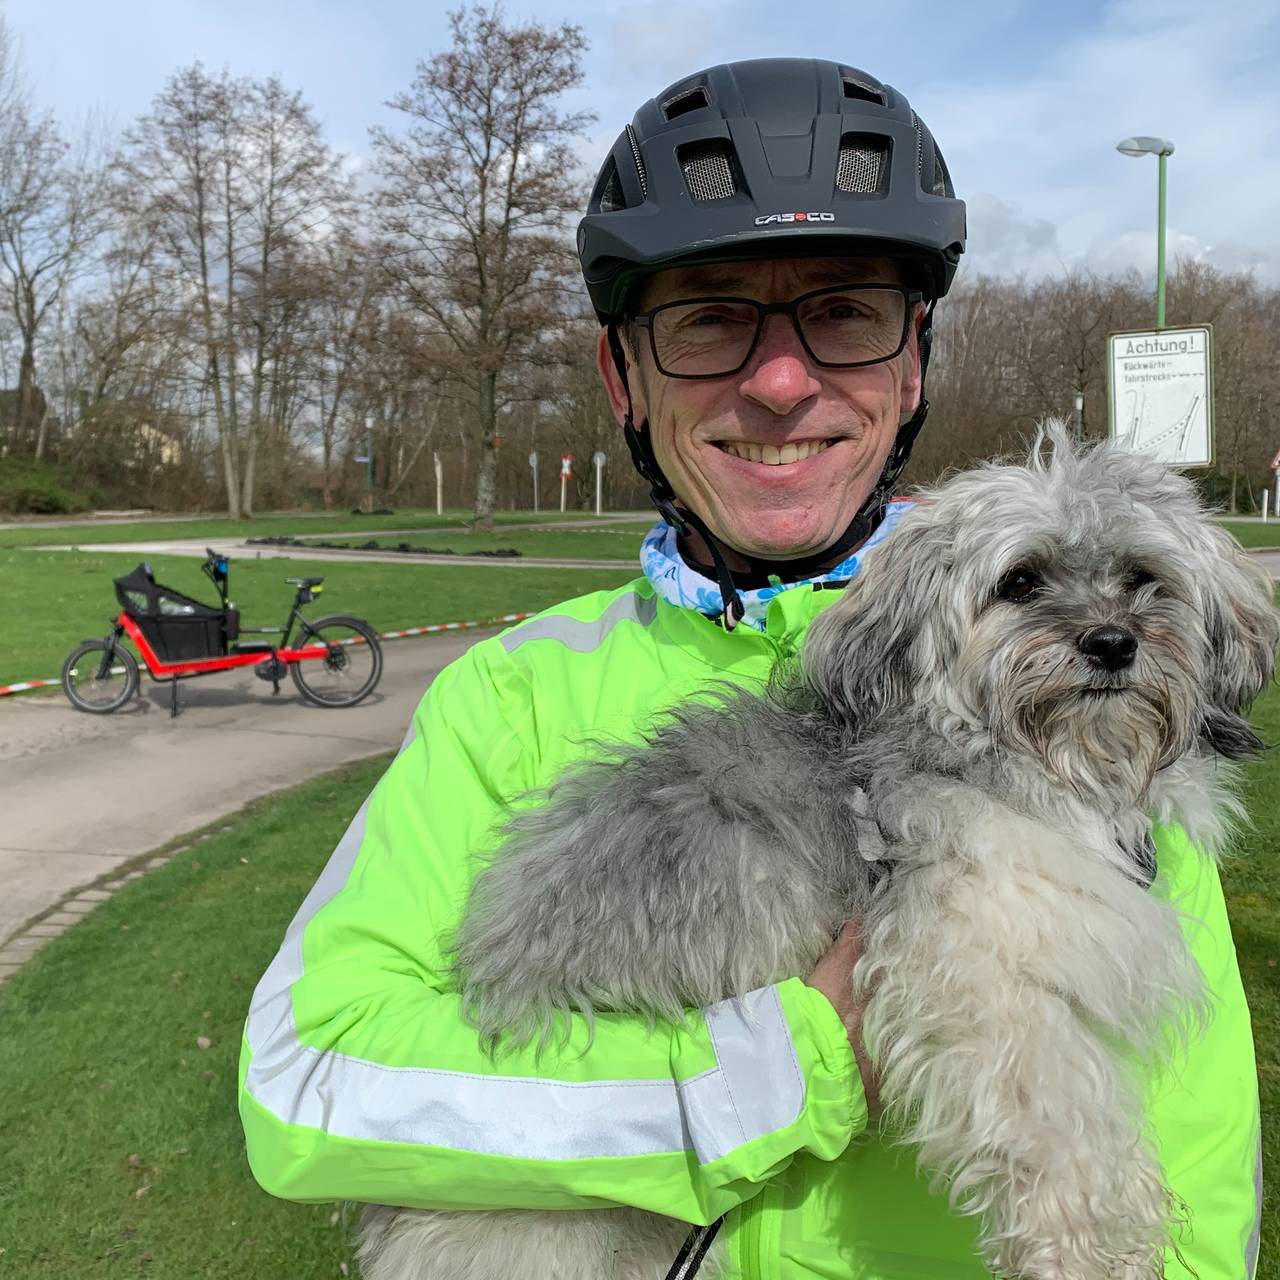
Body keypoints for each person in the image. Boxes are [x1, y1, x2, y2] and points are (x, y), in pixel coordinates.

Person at [238, 59, 1260, 1278]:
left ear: (910, 365)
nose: (779, 381)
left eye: (843, 313)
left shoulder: (1109, 757)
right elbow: (307, 1083)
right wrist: (784, 1066)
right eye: (710, 319)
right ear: (623, 377)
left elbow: (1196, 1167)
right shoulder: (507, 696)